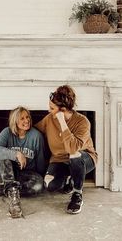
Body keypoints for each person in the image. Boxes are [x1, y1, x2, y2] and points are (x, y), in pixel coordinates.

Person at [35, 85, 98, 215]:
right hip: (59, 159)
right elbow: (35, 130)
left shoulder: (82, 122)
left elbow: (72, 148)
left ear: (62, 110)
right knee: (49, 185)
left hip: (84, 158)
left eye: (52, 108)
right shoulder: (49, 119)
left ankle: (77, 194)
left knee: (74, 155)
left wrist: (62, 122)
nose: (48, 110)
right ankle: (70, 177)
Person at [0, 106, 46, 218]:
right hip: (7, 172)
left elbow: (41, 160)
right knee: (4, 157)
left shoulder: (36, 136)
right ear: (14, 121)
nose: (26, 121)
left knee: (39, 186)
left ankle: (7, 189)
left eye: (27, 117)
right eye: (22, 118)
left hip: (26, 175)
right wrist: (16, 154)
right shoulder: (7, 132)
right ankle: (14, 202)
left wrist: (43, 178)